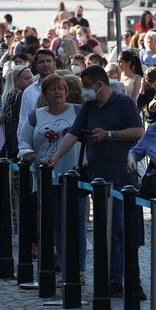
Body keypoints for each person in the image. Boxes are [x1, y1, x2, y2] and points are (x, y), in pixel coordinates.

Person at [48, 66, 144, 297]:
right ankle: (111, 278)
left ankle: (123, 280)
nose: (83, 90)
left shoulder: (123, 103)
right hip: (97, 179)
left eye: (86, 85)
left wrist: (108, 135)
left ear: (99, 85)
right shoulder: (89, 107)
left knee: (120, 231)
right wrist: (55, 157)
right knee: (104, 230)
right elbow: (73, 133)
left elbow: (139, 131)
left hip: (121, 178)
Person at [19, 74, 85, 278]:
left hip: (76, 176)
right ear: (45, 94)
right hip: (47, 177)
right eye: (52, 89)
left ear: (66, 91)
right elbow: (23, 140)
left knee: (78, 223)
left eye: (61, 89)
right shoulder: (36, 115)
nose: (57, 92)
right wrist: (27, 152)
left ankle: (80, 269)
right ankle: (65, 266)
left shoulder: (79, 111)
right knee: (57, 223)